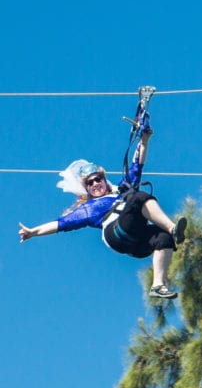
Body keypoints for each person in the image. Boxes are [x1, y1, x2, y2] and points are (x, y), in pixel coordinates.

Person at [18, 127, 187, 299]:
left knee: (163, 237)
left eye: (98, 179)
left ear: (104, 179)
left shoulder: (122, 189)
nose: (95, 184)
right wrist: (33, 232)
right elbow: (61, 224)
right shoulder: (89, 208)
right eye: (90, 183)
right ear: (87, 189)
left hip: (136, 244)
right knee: (139, 198)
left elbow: (137, 165)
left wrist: (144, 140)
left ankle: (158, 285)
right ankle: (173, 227)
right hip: (116, 233)